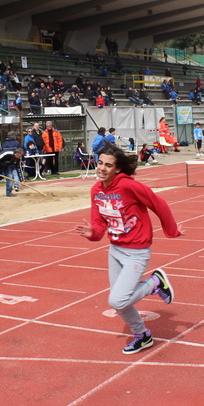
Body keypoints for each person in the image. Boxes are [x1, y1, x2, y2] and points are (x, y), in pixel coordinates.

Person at [75, 145, 182, 354]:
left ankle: (154, 283)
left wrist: (172, 230)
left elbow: (158, 203)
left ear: (117, 169)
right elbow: (98, 224)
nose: (102, 168)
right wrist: (92, 234)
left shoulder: (128, 186)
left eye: (108, 165)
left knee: (117, 299)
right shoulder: (96, 191)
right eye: (100, 163)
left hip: (137, 251)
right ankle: (142, 335)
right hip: (115, 250)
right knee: (120, 302)